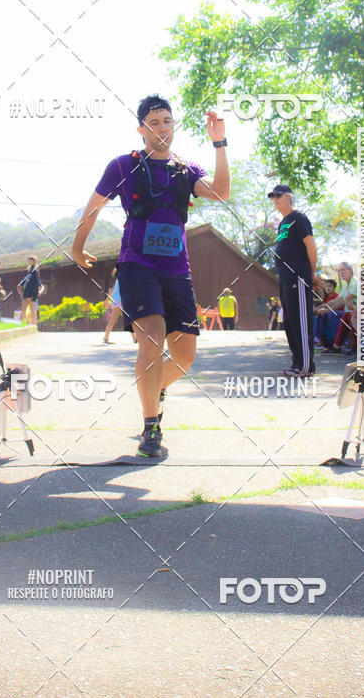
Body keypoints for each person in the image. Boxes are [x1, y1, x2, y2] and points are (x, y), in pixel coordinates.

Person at [71, 94, 229, 457]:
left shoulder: (186, 169)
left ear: (174, 126)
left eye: (167, 121)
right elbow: (92, 208)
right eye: (154, 122)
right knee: (152, 340)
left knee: (185, 357)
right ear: (141, 129)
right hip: (137, 265)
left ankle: (155, 388)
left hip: (177, 269)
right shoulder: (122, 165)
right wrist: (78, 247)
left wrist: (219, 142)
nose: (161, 128)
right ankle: (151, 429)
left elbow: (220, 193)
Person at [269, 184, 321, 377]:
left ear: (289, 196)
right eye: (272, 196)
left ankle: (306, 366)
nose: (275, 199)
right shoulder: (283, 223)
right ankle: (297, 362)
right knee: (289, 322)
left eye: (278, 195)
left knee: (300, 321)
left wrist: (312, 273)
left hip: (298, 277)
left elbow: (310, 245)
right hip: (285, 279)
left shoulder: (298, 218)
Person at [322, 262, 358, 354]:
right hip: (350, 313)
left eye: (343, 270)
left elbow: (344, 300)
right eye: (339, 271)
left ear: (350, 270)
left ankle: (341, 344)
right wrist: (320, 307)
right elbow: (335, 301)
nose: (341, 273)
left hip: (357, 312)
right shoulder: (346, 285)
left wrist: (328, 310)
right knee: (327, 314)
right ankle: (322, 340)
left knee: (334, 314)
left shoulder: (356, 282)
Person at [313, 278, 340, 347]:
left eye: (330, 286)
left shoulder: (336, 296)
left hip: (335, 314)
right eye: (326, 286)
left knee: (323, 314)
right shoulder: (326, 298)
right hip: (327, 316)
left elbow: (334, 306)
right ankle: (317, 339)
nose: (327, 288)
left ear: (334, 288)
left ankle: (319, 339)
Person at [17, 255, 43, 324]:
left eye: (30, 260)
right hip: (26, 293)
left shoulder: (35, 271)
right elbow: (20, 286)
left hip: (31, 293)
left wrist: (33, 295)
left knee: (32, 309)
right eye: (28, 260)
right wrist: (22, 294)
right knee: (23, 309)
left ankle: (33, 324)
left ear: (34, 261)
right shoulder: (29, 272)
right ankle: (23, 323)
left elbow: (35, 284)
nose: (29, 261)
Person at [103, 270, 123, 343]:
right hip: (119, 301)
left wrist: (106, 300)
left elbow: (112, 290)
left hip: (116, 300)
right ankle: (106, 337)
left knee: (127, 319)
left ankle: (135, 338)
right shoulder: (123, 279)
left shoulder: (118, 280)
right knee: (113, 319)